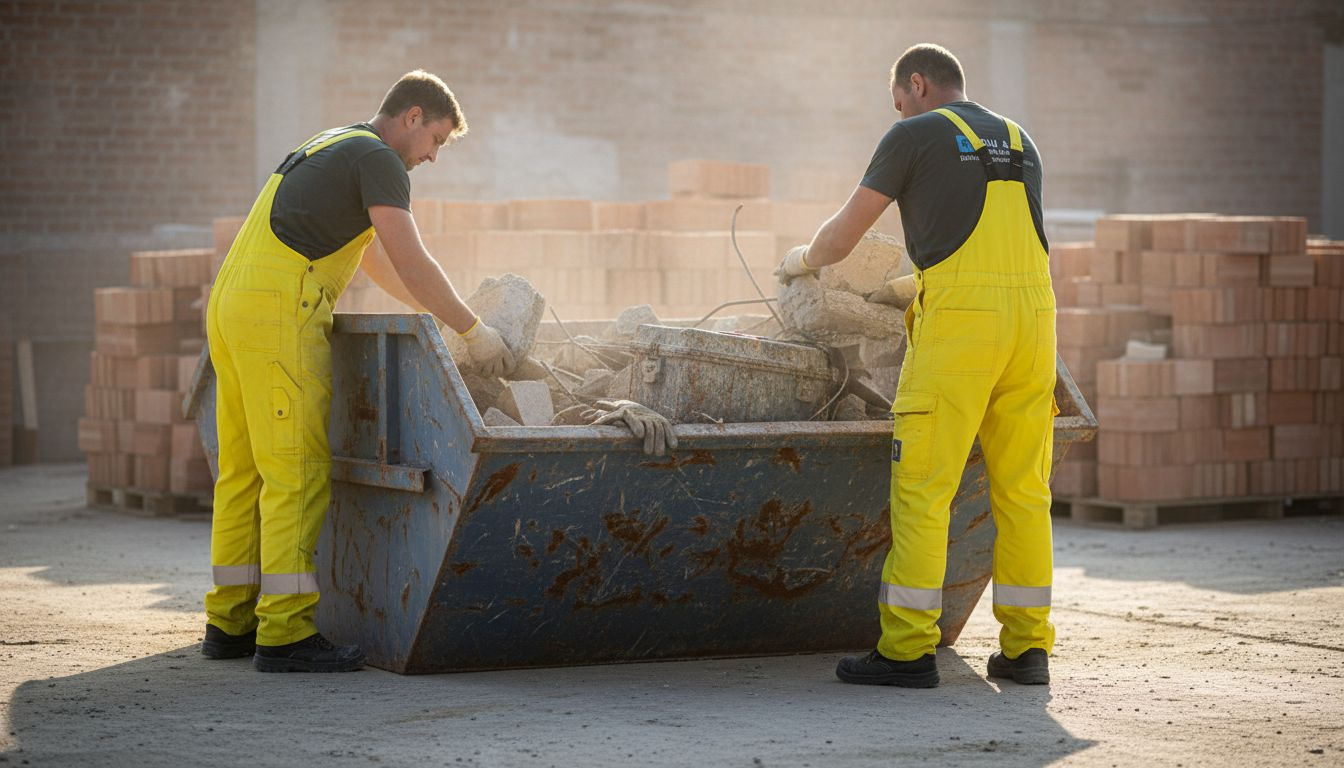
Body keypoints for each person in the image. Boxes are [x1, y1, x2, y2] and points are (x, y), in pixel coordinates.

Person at [201, 70, 515, 672]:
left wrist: (438, 318)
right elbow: (413, 259)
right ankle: (286, 634)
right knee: (296, 470)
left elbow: (380, 264)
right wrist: (475, 329)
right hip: (277, 313)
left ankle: (229, 623)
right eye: (437, 142)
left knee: (243, 472)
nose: (432, 157)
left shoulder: (334, 144)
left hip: (234, 304)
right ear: (414, 116)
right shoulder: (380, 160)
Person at [777, 44, 1056, 688]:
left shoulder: (914, 134)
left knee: (925, 488)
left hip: (962, 330)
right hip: (1035, 325)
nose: (897, 109)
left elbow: (842, 239)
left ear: (918, 83)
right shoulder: (1020, 140)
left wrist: (801, 259)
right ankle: (1026, 650)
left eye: (897, 97)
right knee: (1023, 491)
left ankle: (906, 650)